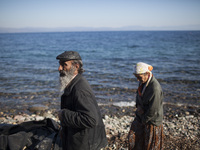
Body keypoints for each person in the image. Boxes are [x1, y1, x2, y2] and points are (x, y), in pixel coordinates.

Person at [56, 51, 107, 150]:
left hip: (85, 144)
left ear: (76, 66)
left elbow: (90, 119)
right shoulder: (73, 83)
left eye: (64, 65)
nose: (59, 68)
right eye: (60, 64)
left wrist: (64, 115)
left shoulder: (80, 89)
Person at [128, 62, 164, 150]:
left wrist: (144, 120)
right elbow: (139, 95)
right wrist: (138, 107)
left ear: (147, 74)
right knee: (132, 138)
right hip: (141, 116)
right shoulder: (143, 81)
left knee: (151, 146)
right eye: (136, 77)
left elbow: (153, 110)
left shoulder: (154, 88)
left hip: (152, 121)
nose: (137, 80)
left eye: (139, 77)